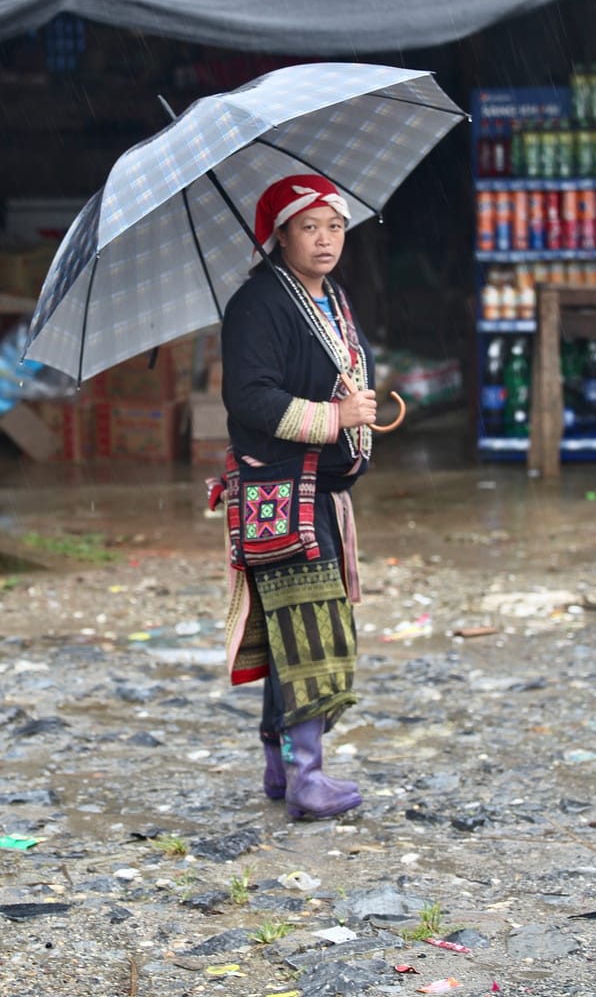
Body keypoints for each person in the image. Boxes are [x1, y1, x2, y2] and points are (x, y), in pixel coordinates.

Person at [218, 173, 377, 819]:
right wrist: (335, 420)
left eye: (335, 226)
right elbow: (248, 399)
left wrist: (357, 413)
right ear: (279, 235)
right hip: (281, 491)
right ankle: (307, 777)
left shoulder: (330, 298)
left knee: (294, 631)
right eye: (308, 227)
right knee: (309, 629)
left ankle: (283, 769)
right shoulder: (258, 305)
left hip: (320, 492)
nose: (325, 239)